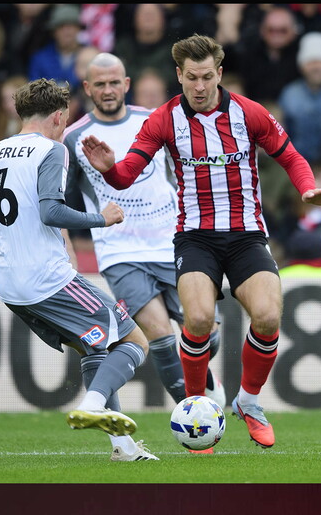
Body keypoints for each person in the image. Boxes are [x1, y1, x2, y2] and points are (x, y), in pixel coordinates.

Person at [80, 34, 321, 449]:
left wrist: (307, 188)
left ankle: (249, 402)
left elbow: (290, 155)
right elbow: (127, 173)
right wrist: (111, 170)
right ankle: (197, 406)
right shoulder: (164, 119)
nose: (199, 87)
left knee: (269, 316)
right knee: (198, 320)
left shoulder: (248, 113)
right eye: (191, 78)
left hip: (246, 235)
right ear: (179, 75)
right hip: (194, 238)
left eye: (207, 77)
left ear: (218, 74)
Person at [0, 78, 159, 461]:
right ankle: (93, 406)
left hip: (9, 284)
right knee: (132, 341)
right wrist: (102, 218)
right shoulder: (52, 150)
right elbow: (50, 211)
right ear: (59, 117)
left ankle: (123, 448)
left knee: (94, 347)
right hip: (47, 278)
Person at [63, 53, 225, 453]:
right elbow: (65, 201)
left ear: (127, 82)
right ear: (87, 89)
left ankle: (206, 385)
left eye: (114, 82)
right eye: (99, 84)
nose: (107, 90)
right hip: (120, 251)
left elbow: (188, 169)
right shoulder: (73, 138)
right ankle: (195, 423)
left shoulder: (155, 120)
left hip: (172, 241)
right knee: (158, 336)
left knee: (206, 331)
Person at [277, 31, 321, 164]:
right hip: (296, 164)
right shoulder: (290, 94)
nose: (316, 67)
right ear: (302, 67)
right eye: (310, 62)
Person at [227, 5, 302, 106]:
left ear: (294, 31)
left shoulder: (301, 54)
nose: (277, 34)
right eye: (271, 30)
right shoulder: (248, 52)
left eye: (283, 30)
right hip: (252, 109)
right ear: (262, 30)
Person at [113, 4, 179, 98]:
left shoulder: (175, 46)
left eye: (152, 14)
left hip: (169, 95)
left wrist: (155, 81)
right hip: (130, 96)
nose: (148, 17)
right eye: (144, 14)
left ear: (163, 19)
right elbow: (119, 74)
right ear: (134, 19)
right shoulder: (123, 46)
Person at [27, 4, 84, 90]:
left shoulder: (88, 54)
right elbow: (34, 91)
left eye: (70, 26)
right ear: (53, 32)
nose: (66, 31)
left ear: (78, 29)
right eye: (61, 27)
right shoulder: (40, 59)